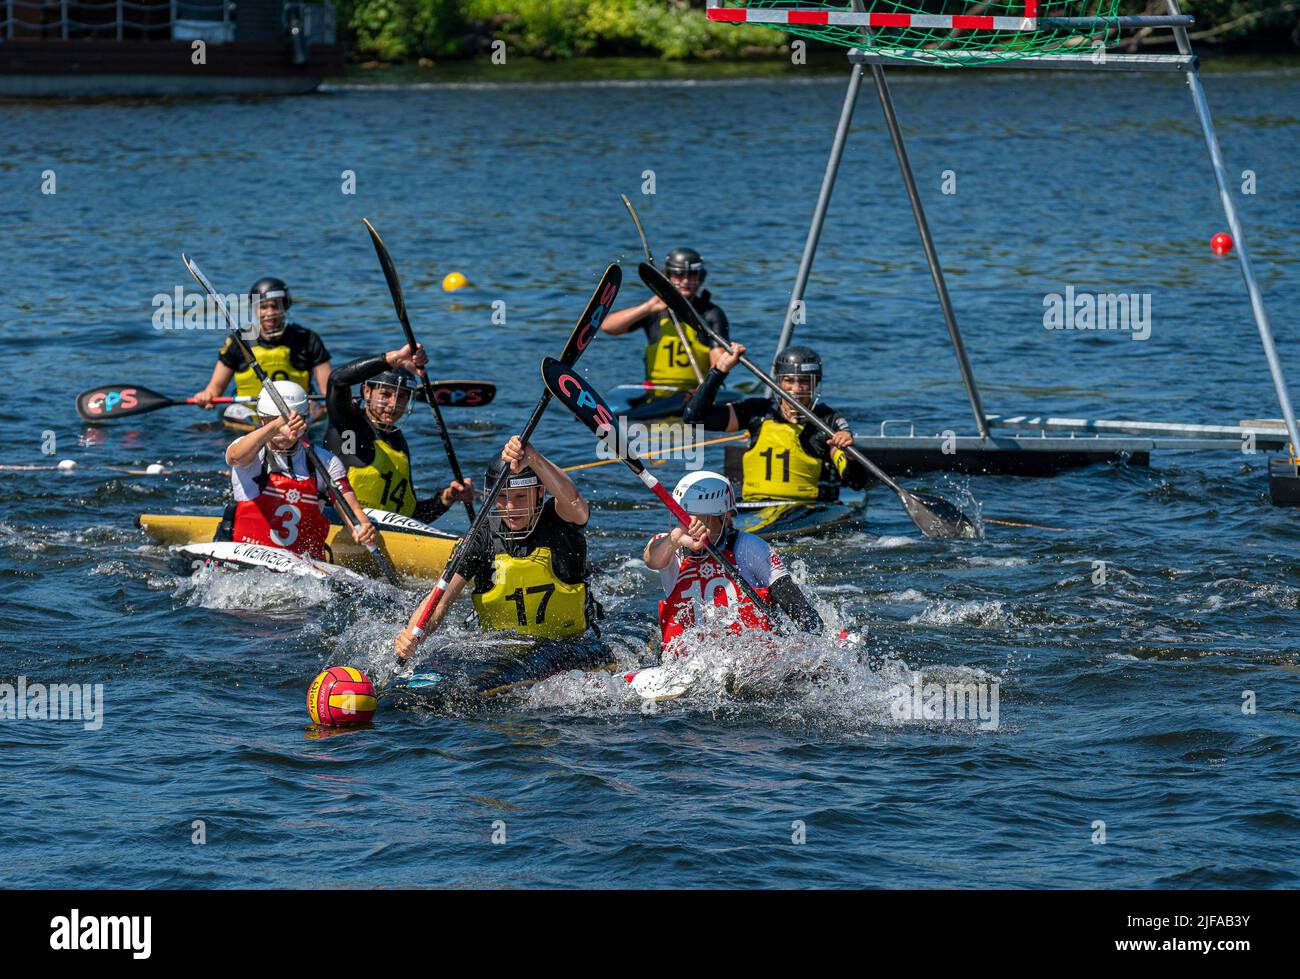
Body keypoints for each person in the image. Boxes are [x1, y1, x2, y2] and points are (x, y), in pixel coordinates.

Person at [395, 436, 600, 664]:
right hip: (502, 654)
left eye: (521, 496)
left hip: (570, 645)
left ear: (540, 493)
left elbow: (574, 502)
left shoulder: (560, 521)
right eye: (502, 497)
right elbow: (441, 599)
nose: (511, 508)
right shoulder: (481, 535)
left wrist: (533, 458)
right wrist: (413, 633)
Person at [643, 471, 822, 659]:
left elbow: (801, 611)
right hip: (687, 661)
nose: (690, 525)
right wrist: (674, 539)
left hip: (752, 659)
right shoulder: (670, 546)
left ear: (725, 517)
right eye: (684, 518)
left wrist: (805, 647)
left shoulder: (750, 547)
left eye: (700, 519)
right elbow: (651, 559)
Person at [682, 344, 868, 503]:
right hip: (754, 507)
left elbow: (856, 483)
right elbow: (695, 417)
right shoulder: (757, 411)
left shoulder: (828, 422)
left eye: (804, 381)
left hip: (806, 509)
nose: (795, 389)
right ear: (778, 382)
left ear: (815, 383)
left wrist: (850, 456)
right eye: (788, 380)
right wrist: (720, 371)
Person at [224, 380, 375, 559]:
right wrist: (276, 424)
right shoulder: (251, 453)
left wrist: (361, 525)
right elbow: (235, 457)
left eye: (293, 422)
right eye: (277, 422)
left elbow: (349, 506)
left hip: (303, 566)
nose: (287, 429)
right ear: (262, 420)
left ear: (303, 421)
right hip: (248, 560)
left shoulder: (325, 462)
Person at [324, 343, 472, 522]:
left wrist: (446, 499)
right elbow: (337, 381)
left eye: (401, 397)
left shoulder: (398, 444)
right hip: (340, 526)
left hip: (384, 538)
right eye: (385, 394)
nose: (393, 405)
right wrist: (392, 359)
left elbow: (411, 517)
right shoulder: (348, 424)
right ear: (367, 391)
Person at [193, 277, 331, 419]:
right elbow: (216, 388)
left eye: (275, 306)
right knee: (228, 413)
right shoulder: (238, 341)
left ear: (285, 307)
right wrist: (207, 396)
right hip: (250, 416)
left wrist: (330, 405)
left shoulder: (307, 339)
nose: (269, 313)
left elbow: (328, 391)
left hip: (296, 414)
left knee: (318, 408)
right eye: (263, 307)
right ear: (255, 309)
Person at [598, 247, 730, 391]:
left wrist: (705, 391)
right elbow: (608, 327)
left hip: (695, 393)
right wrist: (647, 308)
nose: (686, 281)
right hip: (656, 393)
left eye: (692, 275)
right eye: (679, 274)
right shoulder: (653, 310)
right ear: (668, 276)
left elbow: (719, 362)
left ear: (700, 277)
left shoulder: (711, 313)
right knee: (621, 415)